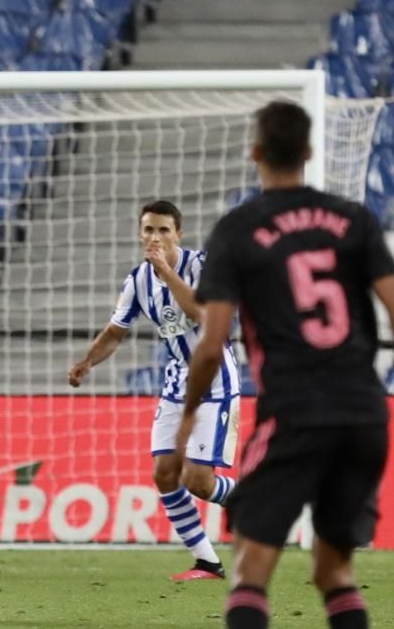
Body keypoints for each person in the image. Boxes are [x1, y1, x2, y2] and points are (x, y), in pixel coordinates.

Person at [178, 100, 393, 629]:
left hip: (294, 411)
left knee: (250, 568)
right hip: (364, 415)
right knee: (334, 574)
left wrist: (187, 418)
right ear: (310, 152)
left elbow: (212, 342)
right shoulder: (354, 220)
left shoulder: (239, 229)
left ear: (255, 154)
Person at [68, 200, 241, 581]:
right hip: (177, 383)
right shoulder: (137, 282)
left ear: (178, 233)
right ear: (139, 233)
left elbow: (205, 315)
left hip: (215, 381)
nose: (155, 237)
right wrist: (87, 362)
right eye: (149, 230)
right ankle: (208, 562)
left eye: (164, 230)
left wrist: (165, 271)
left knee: (198, 480)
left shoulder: (201, 265)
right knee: (164, 474)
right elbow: (116, 332)